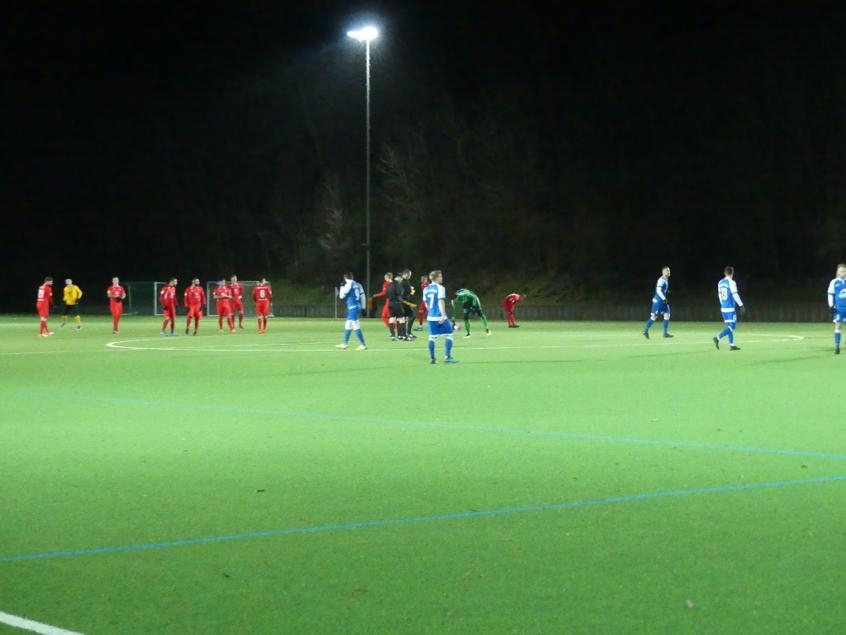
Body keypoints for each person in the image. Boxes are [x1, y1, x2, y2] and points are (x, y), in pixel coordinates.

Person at [424, 270, 458, 363]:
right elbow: (440, 301)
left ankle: (432, 359)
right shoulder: (440, 288)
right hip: (439, 316)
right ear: (437, 278)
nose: (442, 278)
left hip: (430, 316)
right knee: (449, 334)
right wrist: (443, 315)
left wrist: (431, 312)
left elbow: (426, 304)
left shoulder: (426, 289)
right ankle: (447, 357)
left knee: (432, 337)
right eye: (440, 276)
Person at [713, 266, 745, 351]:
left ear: (725, 273)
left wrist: (722, 304)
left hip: (723, 308)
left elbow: (720, 295)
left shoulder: (720, 282)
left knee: (729, 327)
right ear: (732, 273)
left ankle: (732, 345)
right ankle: (717, 338)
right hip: (730, 308)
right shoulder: (732, 282)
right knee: (732, 326)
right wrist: (741, 305)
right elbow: (735, 294)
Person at [335, 272, 367, 350]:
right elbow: (363, 296)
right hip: (357, 306)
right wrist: (363, 308)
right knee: (348, 324)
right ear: (352, 277)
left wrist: (342, 286)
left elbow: (341, 296)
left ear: (345, 278)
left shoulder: (348, 284)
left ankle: (363, 344)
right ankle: (344, 344)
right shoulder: (358, 284)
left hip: (353, 307)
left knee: (355, 325)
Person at [642, 266, 673, 339]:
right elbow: (658, 290)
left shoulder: (666, 279)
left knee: (667, 314)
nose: (669, 272)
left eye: (669, 270)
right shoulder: (661, 280)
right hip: (659, 300)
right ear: (663, 272)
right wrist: (664, 299)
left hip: (663, 300)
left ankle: (665, 333)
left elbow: (662, 289)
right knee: (654, 316)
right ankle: (645, 331)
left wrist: (666, 291)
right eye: (667, 271)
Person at [826, 263, 846, 355]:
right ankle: (837, 346)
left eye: (845, 271)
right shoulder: (834, 282)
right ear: (838, 272)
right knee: (838, 326)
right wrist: (831, 305)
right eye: (842, 271)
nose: (844, 273)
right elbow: (830, 294)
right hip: (839, 309)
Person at [387, 273, 408, 341]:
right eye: (400, 278)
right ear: (398, 278)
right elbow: (399, 293)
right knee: (402, 319)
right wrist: (401, 299)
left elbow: (388, 294)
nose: (401, 280)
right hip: (396, 303)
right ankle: (404, 336)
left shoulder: (390, 285)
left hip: (390, 304)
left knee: (392, 319)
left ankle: (393, 336)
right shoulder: (397, 285)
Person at [400, 269, 417, 339]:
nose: (410, 276)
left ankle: (405, 333)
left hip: (403, 301)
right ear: (406, 274)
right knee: (412, 316)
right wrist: (412, 290)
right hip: (405, 302)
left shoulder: (402, 282)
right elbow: (410, 292)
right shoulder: (405, 282)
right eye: (409, 275)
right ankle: (406, 333)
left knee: (405, 317)